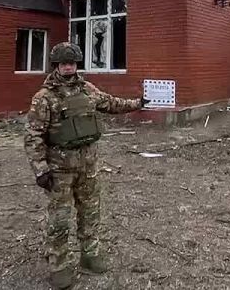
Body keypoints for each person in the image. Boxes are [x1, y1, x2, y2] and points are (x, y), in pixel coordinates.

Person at [24, 42, 148, 289]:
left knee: (91, 212)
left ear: (77, 64)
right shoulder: (44, 98)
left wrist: (138, 103)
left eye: (72, 62)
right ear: (57, 65)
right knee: (60, 218)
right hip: (59, 169)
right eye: (64, 63)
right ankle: (58, 264)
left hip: (88, 165)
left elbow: (111, 103)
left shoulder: (87, 89)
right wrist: (41, 169)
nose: (68, 67)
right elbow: (33, 135)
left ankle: (90, 255)